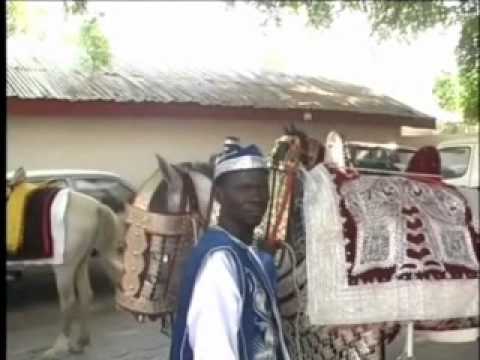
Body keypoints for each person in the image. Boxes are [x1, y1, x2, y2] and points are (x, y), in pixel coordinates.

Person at [170, 143, 290, 360]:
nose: (256, 197)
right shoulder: (220, 261)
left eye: (262, 188)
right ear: (219, 195)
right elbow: (214, 352)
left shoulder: (242, 250)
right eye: (244, 188)